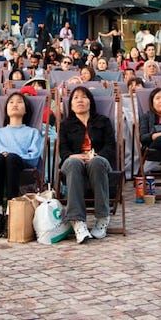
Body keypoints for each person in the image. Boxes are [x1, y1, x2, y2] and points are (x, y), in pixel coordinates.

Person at [0, 92, 45, 237]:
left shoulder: (33, 132)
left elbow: (33, 156)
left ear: (26, 109)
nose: (15, 104)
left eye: (19, 102)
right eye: (11, 102)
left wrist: (12, 155)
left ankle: (11, 213)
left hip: (20, 166)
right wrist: (0, 155)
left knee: (11, 159)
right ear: (6, 109)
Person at [57, 85, 115, 243]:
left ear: (90, 101)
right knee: (73, 163)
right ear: (70, 105)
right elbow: (63, 150)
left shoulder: (103, 121)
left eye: (83, 96)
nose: (80, 100)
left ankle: (102, 218)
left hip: (99, 161)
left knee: (96, 162)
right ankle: (78, 222)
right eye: (75, 98)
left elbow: (111, 147)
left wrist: (96, 155)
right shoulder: (66, 125)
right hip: (74, 162)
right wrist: (73, 156)